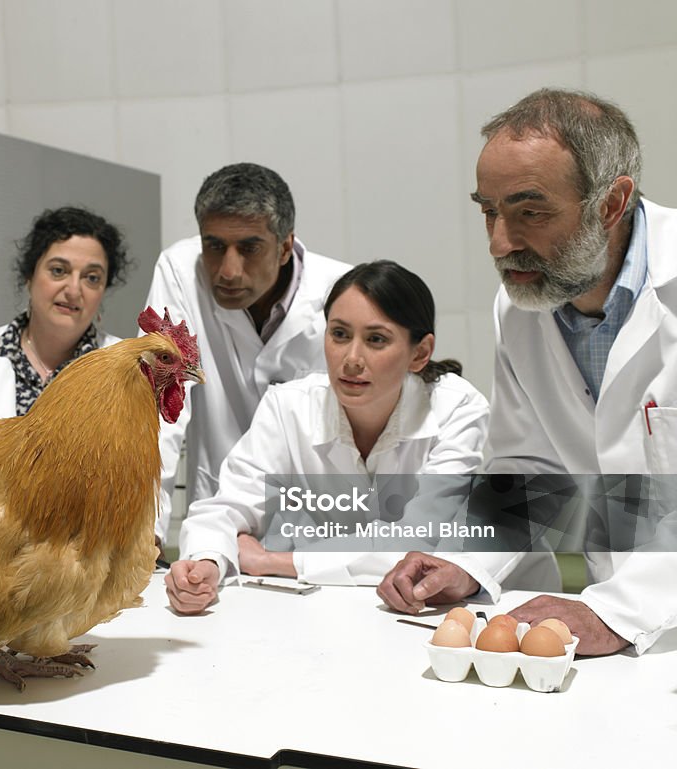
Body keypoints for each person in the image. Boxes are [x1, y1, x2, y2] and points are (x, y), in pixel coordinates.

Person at [378, 88, 677, 656]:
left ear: (611, 204)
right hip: (612, 636)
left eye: (529, 213)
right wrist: (467, 563)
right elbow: (529, 468)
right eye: (489, 211)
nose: (500, 243)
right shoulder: (522, 305)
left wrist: (617, 610)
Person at [166, 261, 491, 613]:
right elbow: (227, 506)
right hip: (324, 610)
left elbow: (419, 544)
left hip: (453, 611)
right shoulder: (289, 406)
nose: (351, 359)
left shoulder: (458, 409)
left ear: (420, 353)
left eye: (376, 339)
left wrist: (275, 561)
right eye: (339, 334)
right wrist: (205, 564)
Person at [145, 163, 352, 545]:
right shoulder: (179, 271)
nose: (228, 271)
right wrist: (146, 530)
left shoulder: (343, 292)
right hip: (216, 518)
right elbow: (160, 405)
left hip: (321, 525)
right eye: (215, 246)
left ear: (286, 246)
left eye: (250, 248)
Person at [0, 206, 130, 425]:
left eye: (92, 278)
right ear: (29, 275)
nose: (74, 291)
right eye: (59, 271)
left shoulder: (128, 373)